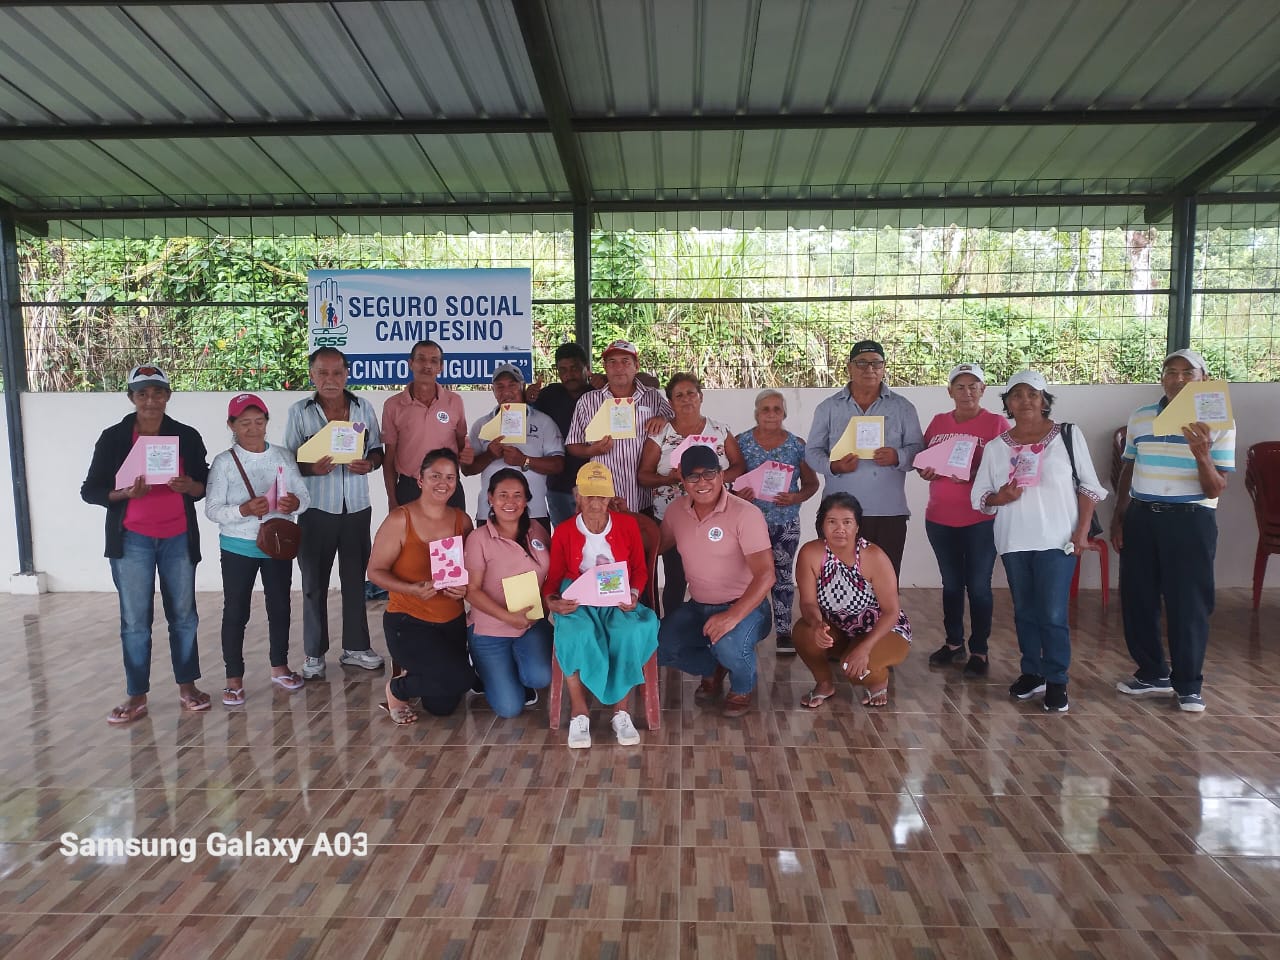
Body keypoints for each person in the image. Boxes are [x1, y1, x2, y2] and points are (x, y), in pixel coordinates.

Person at [81, 364, 211, 724]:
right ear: (131, 397)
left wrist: (189, 486)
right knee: (135, 620)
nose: (150, 400)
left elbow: (204, 484)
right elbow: (90, 490)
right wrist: (124, 493)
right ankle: (137, 694)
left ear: (168, 396)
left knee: (184, 617)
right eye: (142, 394)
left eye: (157, 393)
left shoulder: (186, 436)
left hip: (178, 537)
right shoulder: (113, 438)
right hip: (131, 540)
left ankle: (188, 687)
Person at [971, 370, 1106, 713]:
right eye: (1017, 395)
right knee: (1025, 611)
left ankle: (1057, 679)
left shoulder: (1068, 436)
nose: (1025, 401)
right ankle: (1032, 672)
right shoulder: (996, 448)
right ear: (1007, 403)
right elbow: (980, 496)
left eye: (1033, 394)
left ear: (1045, 400)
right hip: (1014, 540)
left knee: (1053, 612)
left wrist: (1081, 532)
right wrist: (1000, 497)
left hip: (1058, 540)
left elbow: (1089, 487)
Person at [1112, 349, 1235, 713]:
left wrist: (1202, 454)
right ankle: (1152, 673)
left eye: (1187, 372)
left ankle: (1188, 685)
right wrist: (1120, 516)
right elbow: (1129, 468)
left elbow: (1216, 488)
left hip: (1190, 519)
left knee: (1189, 604)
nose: (1178, 378)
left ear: (1203, 379)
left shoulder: (1218, 422)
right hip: (1142, 516)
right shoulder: (1141, 416)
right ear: (1162, 377)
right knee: (1137, 598)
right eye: (1171, 371)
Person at [283, 348, 386, 680]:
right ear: (312, 375)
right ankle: (314, 653)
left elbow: (377, 450)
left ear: (346, 374)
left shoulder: (362, 407)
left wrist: (370, 464)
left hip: (356, 506)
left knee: (355, 580)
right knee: (314, 582)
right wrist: (311, 468)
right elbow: (288, 461)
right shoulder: (300, 412)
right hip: (316, 508)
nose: (330, 380)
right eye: (323, 373)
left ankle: (356, 647)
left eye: (337, 372)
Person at [204, 394, 311, 705]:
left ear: (267, 422)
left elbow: (304, 497)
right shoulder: (224, 462)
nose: (253, 429)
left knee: (280, 606)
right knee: (236, 611)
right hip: (238, 546)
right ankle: (233, 678)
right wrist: (244, 510)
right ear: (232, 425)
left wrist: (294, 503)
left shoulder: (282, 456)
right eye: (245, 423)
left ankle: (280, 667)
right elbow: (212, 510)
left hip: (277, 543)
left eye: (259, 422)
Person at [543, 463, 659, 748]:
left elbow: (639, 570)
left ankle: (621, 712)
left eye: (602, 496)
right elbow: (553, 578)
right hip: (578, 599)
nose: (595, 503)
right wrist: (552, 602)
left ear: (610, 497)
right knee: (575, 633)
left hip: (615, 598)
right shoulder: (564, 531)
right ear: (577, 496)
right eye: (589, 495)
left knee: (628, 633)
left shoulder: (627, 525)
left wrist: (634, 594)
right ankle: (579, 711)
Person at [657, 446, 775, 718]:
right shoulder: (676, 511)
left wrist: (732, 617)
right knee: (659, 645)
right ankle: (713, 667)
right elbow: (657, 546)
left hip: (746, 607)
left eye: (709, 474)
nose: (702, 482)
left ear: (722, 475)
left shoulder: (745, 513)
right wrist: (623, 520)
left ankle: (742, 687)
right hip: (698, 606)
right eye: (693, 476)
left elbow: (766, 574)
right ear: (682, 480)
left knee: (728, 644)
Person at [368, 448, 476, 724]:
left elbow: (473, 567)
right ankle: (396, 689)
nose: (443, 483)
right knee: (462, 678)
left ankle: (419, 674)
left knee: (442, 706)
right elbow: (374, 572)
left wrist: (465, 586)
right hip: (409, 622)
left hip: (451, 622)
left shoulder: (462, 520)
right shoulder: (400, 519)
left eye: (450, 477)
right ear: (420, 480)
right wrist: (411, 589)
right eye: (435, 476)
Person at [917, 363, 1009, 678]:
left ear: (983, 389)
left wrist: (973, 474)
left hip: (980, 518)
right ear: (950, 391)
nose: (966, 392)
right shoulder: (939, 422)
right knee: (952, 584)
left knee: (979, 586)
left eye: (973, 386)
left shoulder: (996, 423)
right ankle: (954, 643)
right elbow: (923, 460)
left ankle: (980, 650)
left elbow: (1006, 468)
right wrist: (925, 470)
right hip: (939, 517)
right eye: (960, 386)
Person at [804, 339, 924, 577]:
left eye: (876, 363)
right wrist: (833, 466)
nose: (870, 369)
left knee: (884, 582)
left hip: (888, 511)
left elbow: (919, 452)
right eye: (861, 363)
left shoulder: (903, 408)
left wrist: (897, 456)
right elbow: (812, 452)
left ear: (884, 367)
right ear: (849, 367)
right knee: (837, 582)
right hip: (839, 513)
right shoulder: (828, 408)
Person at [637, 372, 746, 615]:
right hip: (671, 517)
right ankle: (673, 625)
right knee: (676, 576)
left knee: (716, 573)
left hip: (717, 516)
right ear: (670, 402)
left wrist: (714, 481)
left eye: (691, 393)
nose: (686, 399)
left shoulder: (719, 430)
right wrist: (670, 479)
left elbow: (739, 465)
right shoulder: (661, 433)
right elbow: (643, 476)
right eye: (679, 395)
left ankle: (717, 621)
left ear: (701, 396)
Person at [792, 493, 912, 708]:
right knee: (804, 632)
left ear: (857, 526)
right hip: (839, 629)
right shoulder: (810, 553)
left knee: (854, 669)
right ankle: (824, 684)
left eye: (847, 522)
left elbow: (891, 612)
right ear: (822, 525)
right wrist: (817, 624)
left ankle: (878, 680)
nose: (840, 529)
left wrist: (865, 648)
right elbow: (808, 603)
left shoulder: (874, 556)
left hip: (881, 629)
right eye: (832, 522)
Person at [734, 389, 820, 654]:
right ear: (756, 413)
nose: (771, 414)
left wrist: (795, 497)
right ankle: (745, 629)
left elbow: (811, 483)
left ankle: (784, 633)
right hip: (747, 525)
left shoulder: (797, 445)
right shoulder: (740, 443)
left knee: (782, 578)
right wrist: (738, 494)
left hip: (785, 524)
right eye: (765, 409)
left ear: (784, 414)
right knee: (745, 578)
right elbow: (728, 481)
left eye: (777, 409)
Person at [463, 468, 554, 718]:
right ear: (490, 498)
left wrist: (546, 605)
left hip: (531, 624)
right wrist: (509, 617)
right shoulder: (479, 538)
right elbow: (471, 591)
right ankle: (481, 667)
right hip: (490, 630)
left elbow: (555, 572)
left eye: (517, 495)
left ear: (526, 500)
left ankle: (516, 668)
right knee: (509, 708)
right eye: (503, 495)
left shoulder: (536, 529)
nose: (510, 502)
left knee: (540, 677)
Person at [565, 340, 674, 514]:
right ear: (605, 367)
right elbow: (572, 444)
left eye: (625, 361)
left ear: (636, 366)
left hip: (644, 497)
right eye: (612, 362)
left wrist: (664, 418)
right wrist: (591, 450)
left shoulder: (653, 397)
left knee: (642, 532)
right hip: (603, 499)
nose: (618, 367)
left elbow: (676, 423)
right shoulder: (588, 401)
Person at [465, 362, 565, 528]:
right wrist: (489, 455)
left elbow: (558, 465)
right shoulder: (481, 424)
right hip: (489, 513)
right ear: (493, 391)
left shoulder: (544, 422)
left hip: (534, 513)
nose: (506, 392)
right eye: (500, 386)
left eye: (512, 385)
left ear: (522, 387)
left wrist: (524, 460)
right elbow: (467, 470)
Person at [381, 339, 475, 510]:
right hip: (409, 488)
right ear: (411, 364)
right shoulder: (393, 405)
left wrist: (467, 454)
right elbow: (389, 459)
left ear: (441, 367)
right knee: (409, 530)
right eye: (421, 359)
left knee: (455, 529)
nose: (427, 366)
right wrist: (392, 500)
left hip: (447, 487)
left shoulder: (454, 401)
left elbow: (462, 444)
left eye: (434, 361)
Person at [528, 342, 593, 527]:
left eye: (574, 368)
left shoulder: (600, 394)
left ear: (586, 368)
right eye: (563, 370)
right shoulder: (550, 395)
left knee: (595, 539)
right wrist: (527, 398)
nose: (569, 375)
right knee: (564, 538)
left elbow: (647, 382)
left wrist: (606, 383)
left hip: (594, 485)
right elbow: (525, 418)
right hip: (559, 485)